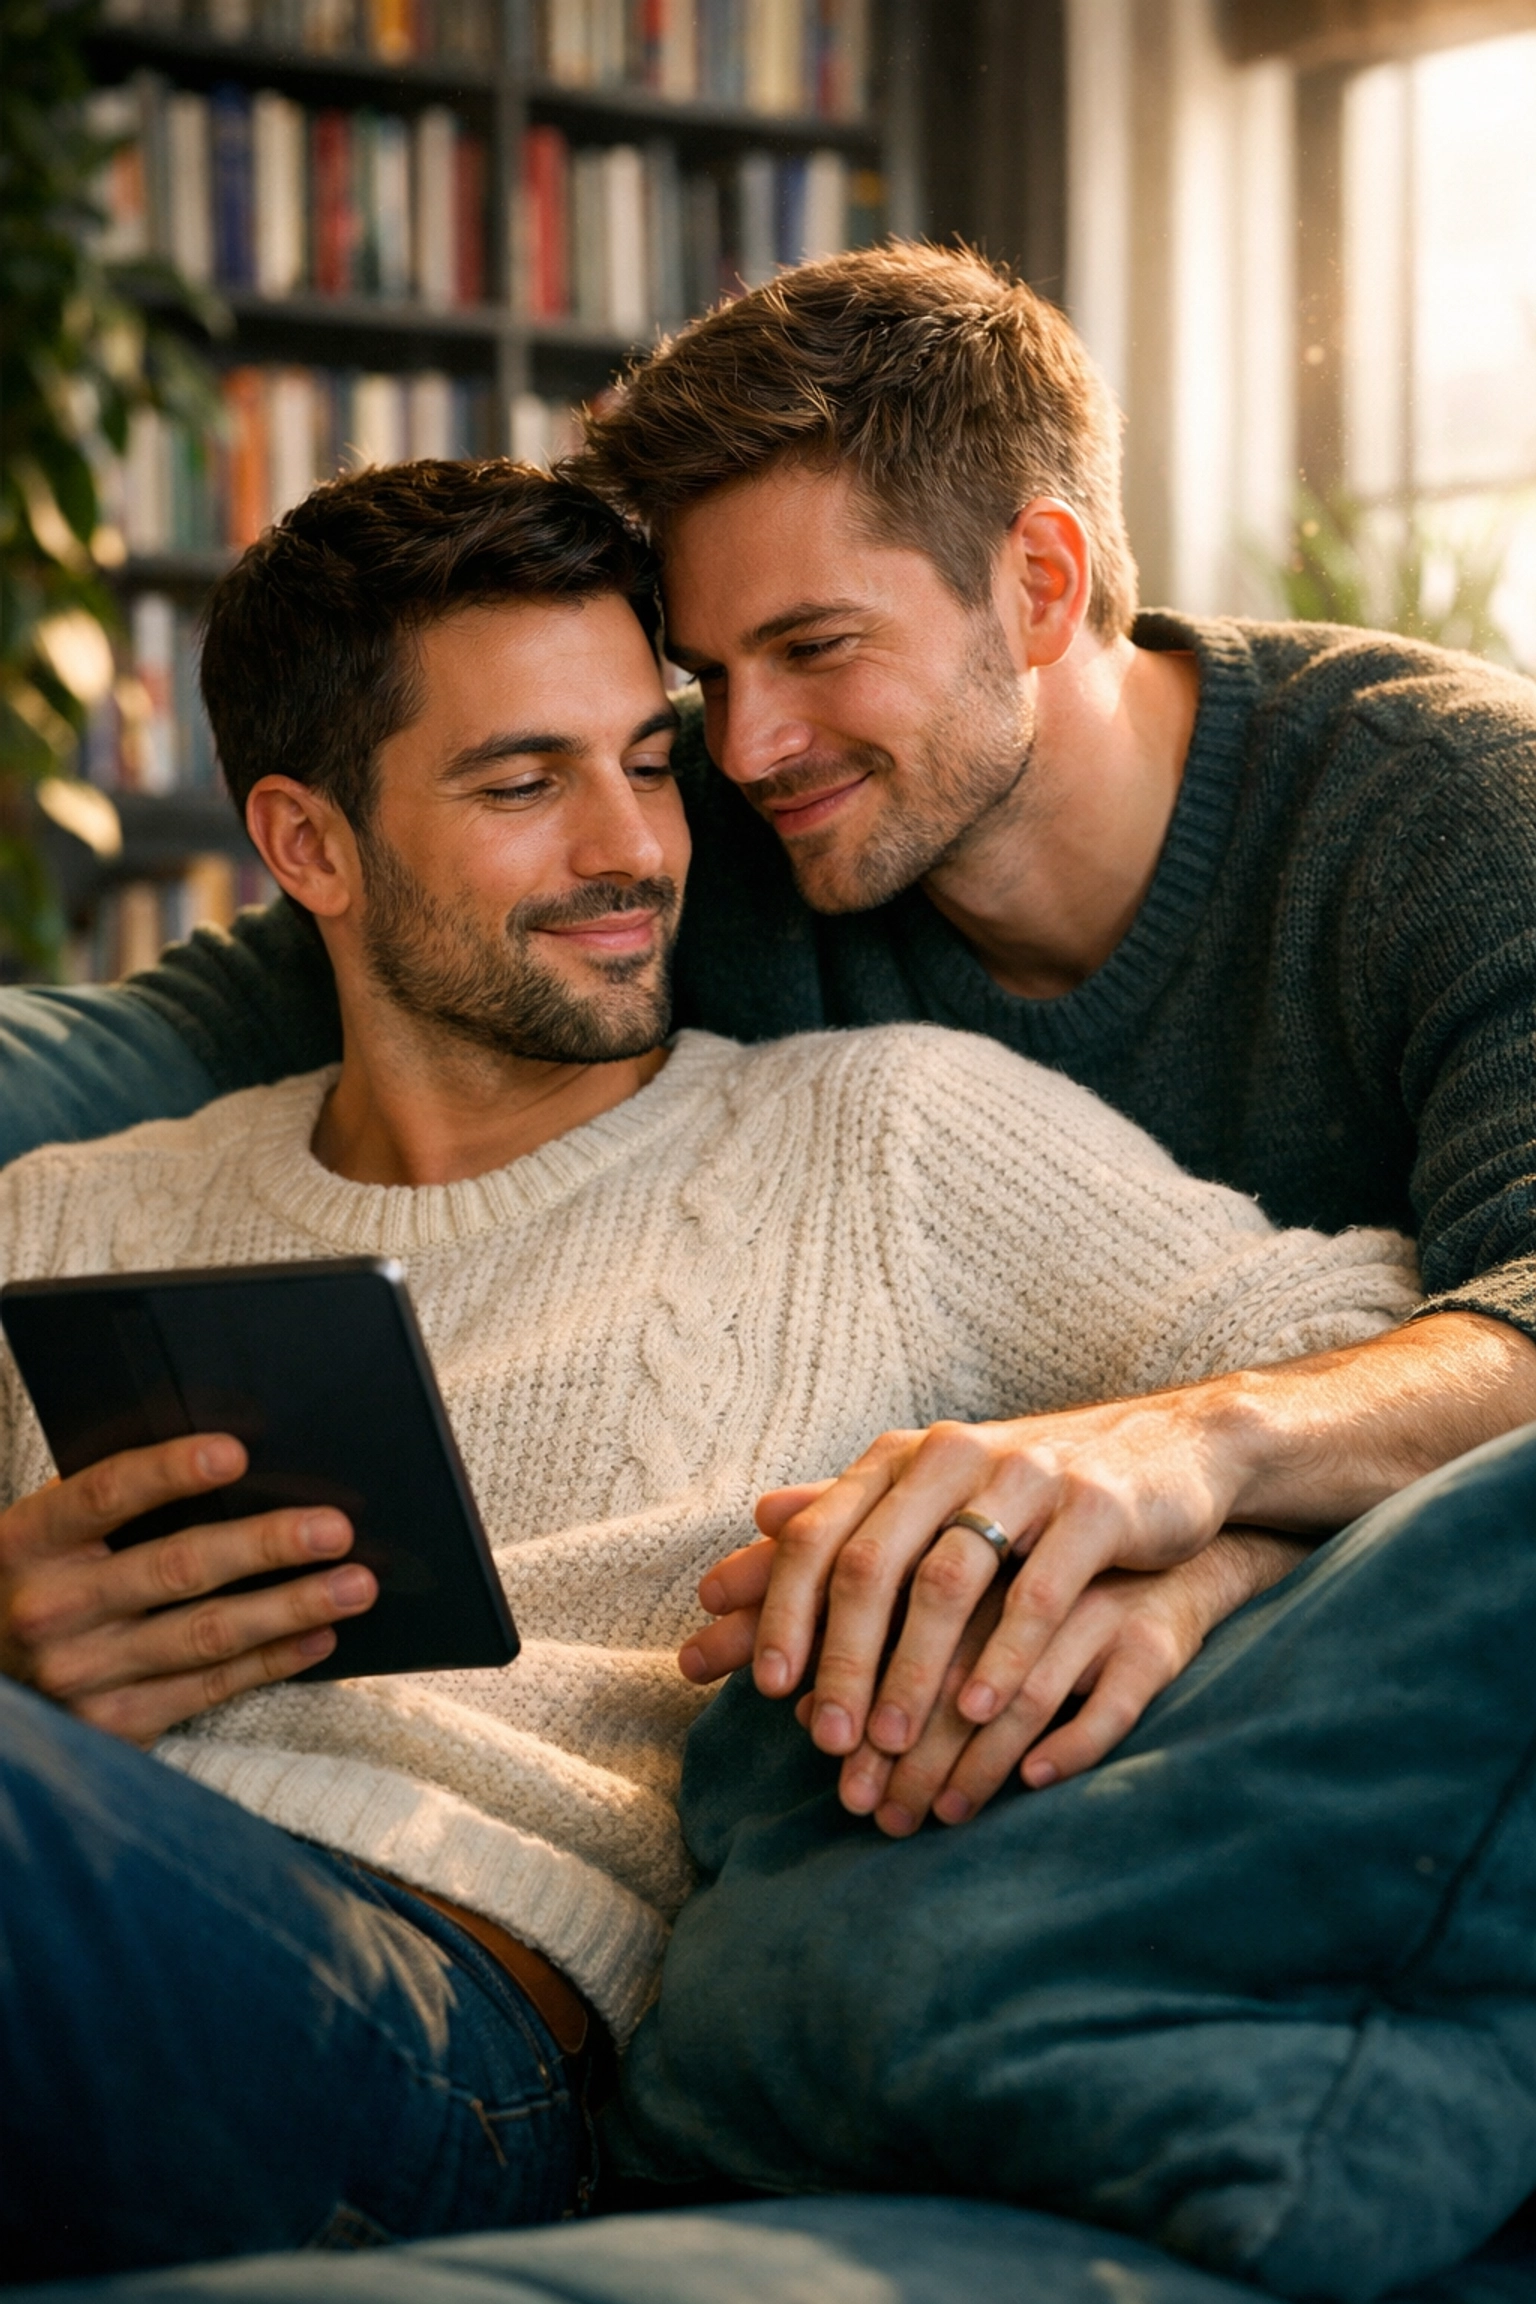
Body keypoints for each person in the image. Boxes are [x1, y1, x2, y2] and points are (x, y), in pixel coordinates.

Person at [0, 462, 1417, 2281]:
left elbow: (1363, 1347)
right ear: (309, 848)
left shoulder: (884, 1137)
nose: (635, 849)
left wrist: (1200, 1548)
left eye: (648, 764)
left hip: (448, 2025)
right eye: (526, 783)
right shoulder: (62, 1215)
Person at [2, 242, 1534, 1832]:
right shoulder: (714, 827)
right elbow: (287, 979)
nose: (745, 749)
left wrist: (1214, 1506)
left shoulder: (1457, 811)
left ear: (1043, 582)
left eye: (813, 649)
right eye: (708, 684)